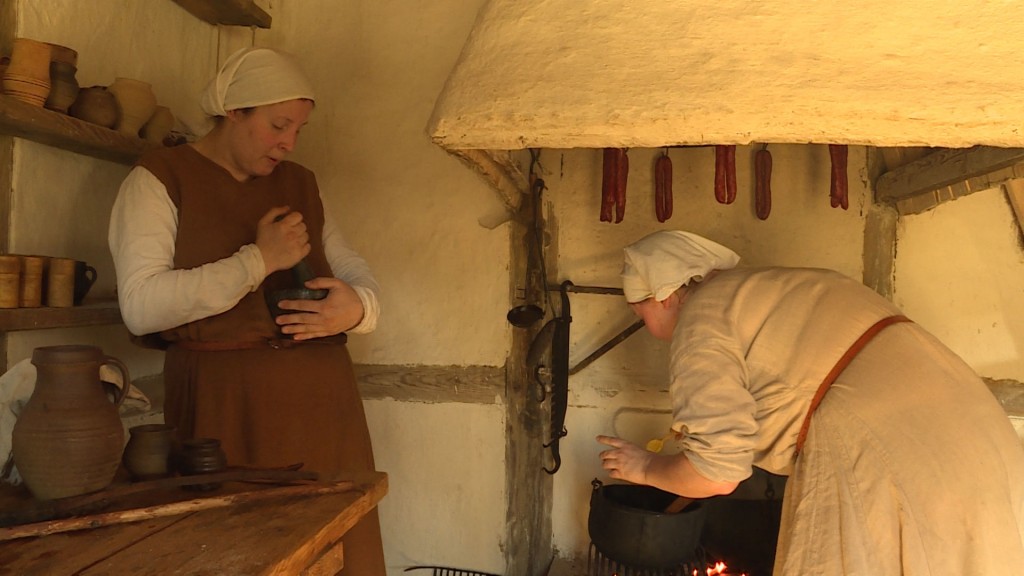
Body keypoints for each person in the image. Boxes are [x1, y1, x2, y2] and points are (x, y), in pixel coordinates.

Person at [597, 230, 1024, 574]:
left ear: (666, 296)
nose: (646, 327)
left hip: (896, 458)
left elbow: (717, 473)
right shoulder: (777, 287)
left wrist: (646, 468)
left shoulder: (702, 318)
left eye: (640, 315)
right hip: (981, 442)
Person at [108, 47, 386, 575]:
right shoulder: (161, 177)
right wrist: (258, 260)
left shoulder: (300, 182)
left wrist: (359, 309)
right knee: (238, 553)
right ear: (235, 111)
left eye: (298, 129)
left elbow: (352, 268)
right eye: (278, 124)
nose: (289, 141)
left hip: (326, 407)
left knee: (340, 550)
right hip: (223, 406)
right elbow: (140, 307)